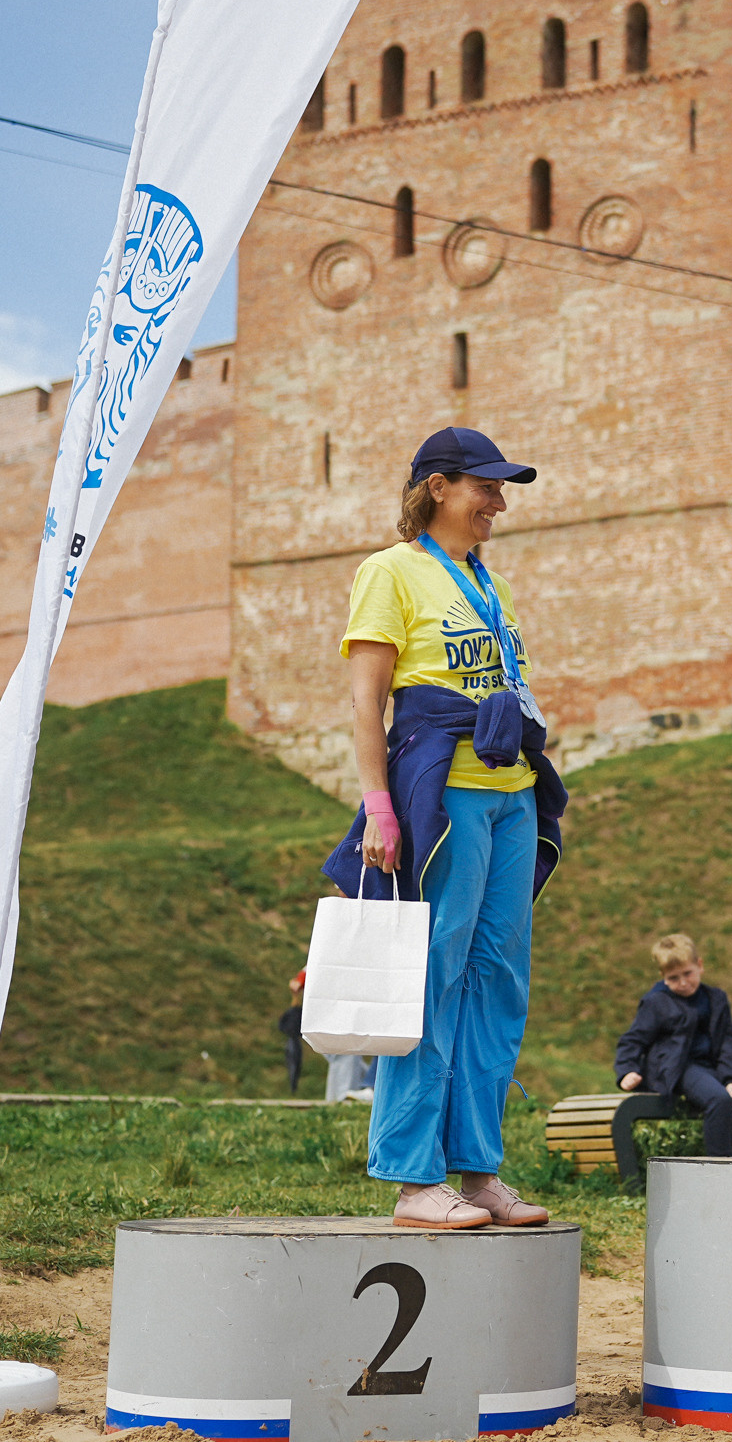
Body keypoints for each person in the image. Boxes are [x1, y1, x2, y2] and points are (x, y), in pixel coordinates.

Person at [318, 426, 567, 1231]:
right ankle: (412, 1174)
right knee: (432, 977)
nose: (498, 502)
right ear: (437, 487)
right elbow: (368, 702)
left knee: (498, 981)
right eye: (485, 488)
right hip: (444, 794)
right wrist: (378, 806)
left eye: (501, 490)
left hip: (512, 792)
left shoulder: (486, 582)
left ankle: (478, 1170)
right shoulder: (390, 572)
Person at [616, 934, 732, 1157]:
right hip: (680, 1068)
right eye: (674, 978)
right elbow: (633, 1039)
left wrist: (731, 1079)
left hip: (714, 1067)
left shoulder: (716, 999)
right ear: (663, 977)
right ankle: (720, 1167)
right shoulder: (656, 1002)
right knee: (719, 1099)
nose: (683, 983)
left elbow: (728, 1041)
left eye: (687, 974)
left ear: (700, 965)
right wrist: (627, 1070)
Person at [278, 971, 306, 1095]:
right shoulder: (293, 1013)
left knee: (296, 1063)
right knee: (292, 1062)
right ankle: (292, 1087)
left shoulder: (298, 1013)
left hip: (295, 1040)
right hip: (292, 1040)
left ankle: (293, 1087)